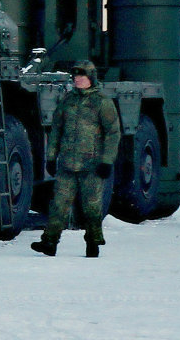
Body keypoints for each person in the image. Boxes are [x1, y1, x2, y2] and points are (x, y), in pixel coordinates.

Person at [31, 60, 120, 258]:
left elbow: (113, 133)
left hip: (92, 165)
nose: (78, 80)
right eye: (75, 76)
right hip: (68, 164)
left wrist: (107, 161)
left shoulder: (102, 102)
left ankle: (93, 242)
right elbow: (56, 131)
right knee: (58, 205)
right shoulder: (67, 101)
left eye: (82, 76)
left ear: (91, 78)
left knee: (91, 205)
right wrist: (51, 158)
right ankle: (49, 242)